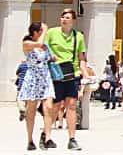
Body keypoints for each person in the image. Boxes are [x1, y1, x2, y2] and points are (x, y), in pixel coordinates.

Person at [43, 8, 91, 152]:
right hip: (56, 73)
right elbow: (44, 48)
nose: (64, 19)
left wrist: (85, 73)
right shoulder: (52, 33)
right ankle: (47, 135)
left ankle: (72, 138)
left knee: (71, 105)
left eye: (67, 17)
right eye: (62, 16)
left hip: (72, 73)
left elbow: (81, 58)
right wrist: (50, 58)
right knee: (56, 106)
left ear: (73, 21)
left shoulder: (79, 37)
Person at [19, 22, 52, 152]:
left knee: (48, 107)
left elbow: (50, 58)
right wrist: (45, 29)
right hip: (32, 79)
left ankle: (47, 136)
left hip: (45, 78)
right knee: (31, 111)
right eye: (41, 31)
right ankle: (30, 139)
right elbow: (38, 45)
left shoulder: (44, 44)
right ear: (35, 32)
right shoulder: (27, 43)